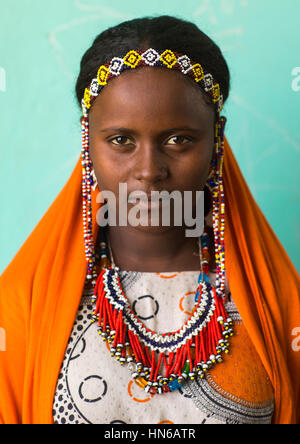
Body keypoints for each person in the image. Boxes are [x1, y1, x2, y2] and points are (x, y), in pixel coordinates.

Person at [0, 15, 299, 425]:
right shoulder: (20, 305)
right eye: (121, 140)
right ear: (88, 140)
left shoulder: (281, 305)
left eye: (178, 139)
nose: (148, 170)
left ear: (216, 138)